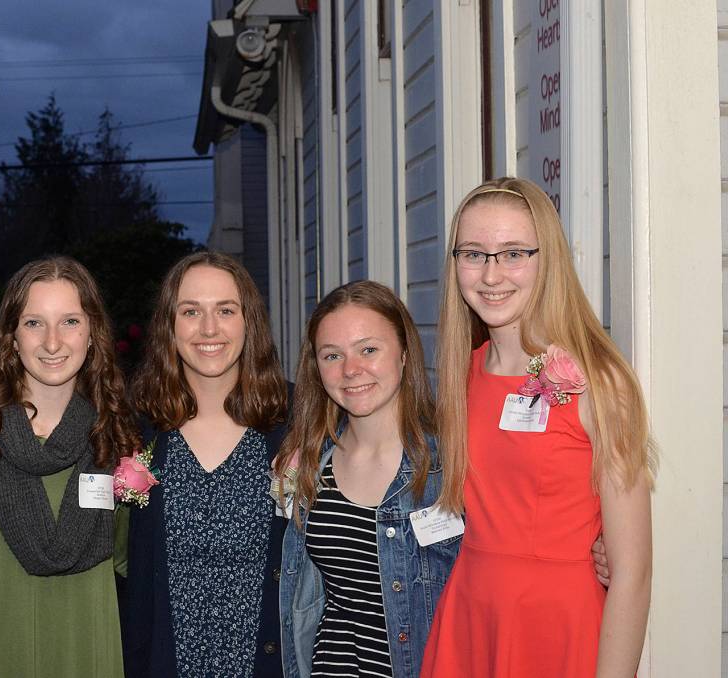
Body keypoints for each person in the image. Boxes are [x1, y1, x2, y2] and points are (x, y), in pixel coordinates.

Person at [420, 177, 655, 678]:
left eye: (513, 253)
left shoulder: (599, 383)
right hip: (471, 618)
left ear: (548, 259)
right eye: (473, 254)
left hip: (558, 626)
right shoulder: (463, 375)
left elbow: (632, 574)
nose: (491, 275)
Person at [0, 256, 138, 677]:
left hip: (89, 654)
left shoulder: (120, 440)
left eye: (70, 322)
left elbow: (136, 559)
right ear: (12, 337)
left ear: (92, 333)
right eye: (34, 323)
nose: (53, 343)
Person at [274, 281, 459, 678]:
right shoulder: (310, 464)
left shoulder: (452, 464)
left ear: (404, 353)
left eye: (369, 350)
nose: (350, 370)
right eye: (332, 355)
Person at [122, 251, 290, 678]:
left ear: (249, 321)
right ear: (169, 325)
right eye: (191, 311)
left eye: (226, 310)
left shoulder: (297, 421)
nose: (209, 328)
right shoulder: (135, 427)